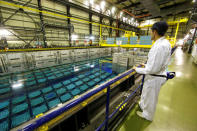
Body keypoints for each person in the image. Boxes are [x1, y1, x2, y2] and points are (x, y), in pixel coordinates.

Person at [133, 21, 172, 121]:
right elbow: (157, 63)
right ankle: (143, 107)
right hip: (156, 75)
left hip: (155, 77)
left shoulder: (160, 46)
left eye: (150, 32)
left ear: (154, 32)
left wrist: (137, 69)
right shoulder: (164, 43)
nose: (150, 34)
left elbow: (153, 68)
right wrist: (146, 65)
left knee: (151, 98)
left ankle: (148, 115)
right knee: (147, 94)